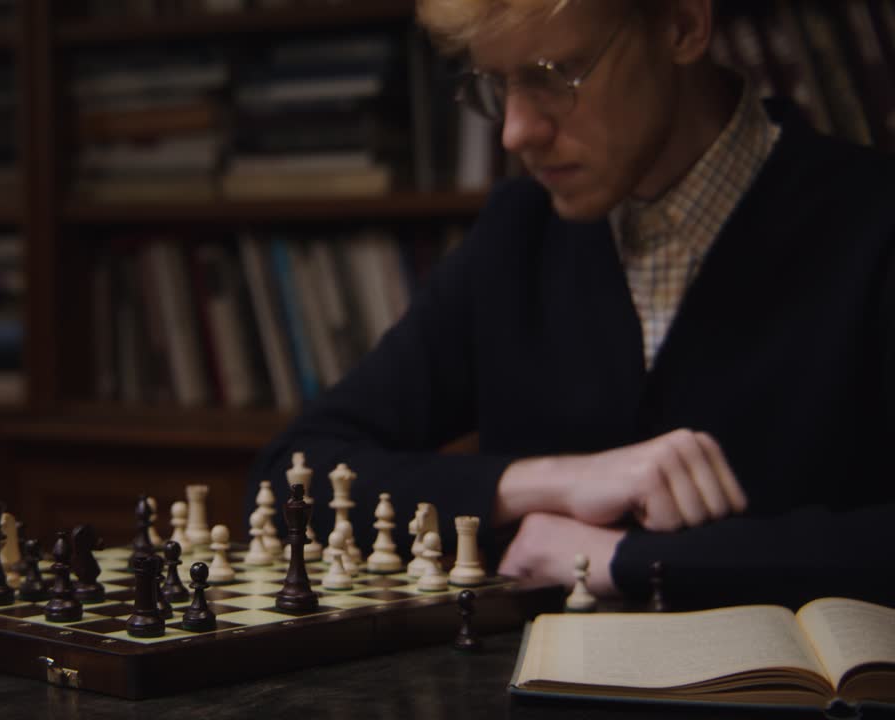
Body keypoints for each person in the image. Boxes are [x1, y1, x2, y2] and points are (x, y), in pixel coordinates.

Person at [247, 0, 895, 610]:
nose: (515, 131)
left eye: (552, 77)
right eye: (497, 84)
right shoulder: (516, 235)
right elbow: (287, 477)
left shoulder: (873, 222)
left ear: (681, 25)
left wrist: (626, 559)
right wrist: (550, 480)